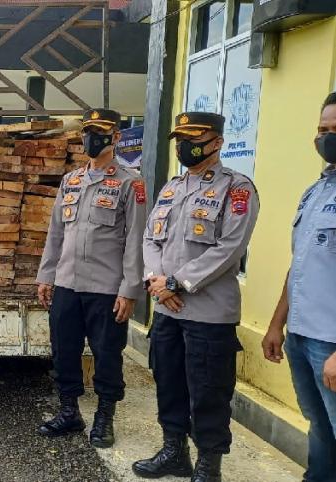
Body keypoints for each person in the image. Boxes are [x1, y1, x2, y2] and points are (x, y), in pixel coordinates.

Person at [133, 112, 259, 482]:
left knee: (208, 392)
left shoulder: (236, 188)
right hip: (168, 310)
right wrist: (156, 281)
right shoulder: (172, 188)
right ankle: (174, 451)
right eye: (179, 139)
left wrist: (176, 283)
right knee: (169, 382)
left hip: (208, 313)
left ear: (217, 142)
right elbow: (150, 239)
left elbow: (230, 247)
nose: (184, 145)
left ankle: (208, 465)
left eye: (194, 137)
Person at [35, 108, 146, 448]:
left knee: (107, 355)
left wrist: (129, 291)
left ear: (115, 137)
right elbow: (56, 233)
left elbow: (136, 239)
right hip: (67, 283)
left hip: (106, 288)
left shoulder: (131, 182)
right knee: (64, 351)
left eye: (99, 132)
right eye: (87, 132)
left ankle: (104, 416)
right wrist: (46, 275)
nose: (90, 138)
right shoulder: (72, 180)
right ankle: (69, 412)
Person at [262, 93, 336, 482]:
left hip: (332, 342)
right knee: (319, 428)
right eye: (322, 130)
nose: (326, 138)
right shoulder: (316, 191)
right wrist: (277, 325)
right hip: (302, 337)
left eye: (335, 131)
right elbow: (300, 267)